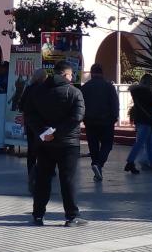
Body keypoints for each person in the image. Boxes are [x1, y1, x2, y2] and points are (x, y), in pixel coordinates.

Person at [25, 61, 87, 227]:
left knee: (43, 179)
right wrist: (57, 132)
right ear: (66, 75)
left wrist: (44, 133)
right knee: (68, 180)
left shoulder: (37, 92)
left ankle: (38, 215)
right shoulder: (74, 92)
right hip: (68, 143)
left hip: (45, 144)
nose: (72, 77)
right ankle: (72, 216)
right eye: (71, 75)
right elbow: (77, 117)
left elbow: (30, 115)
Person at [81, 63, 119, 182]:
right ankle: (99, 165)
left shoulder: (85, 87)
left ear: (91, 73)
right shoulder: (109, 86)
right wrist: (114, 117)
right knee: (107, 145)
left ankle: (97, 168)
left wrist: (84, 118)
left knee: (93, 146)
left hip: (90, 121)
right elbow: (115, 103)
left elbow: (81, 104)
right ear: (102, 73)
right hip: (106, 121)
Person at [126, 74, 152, 174]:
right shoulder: (146, 92)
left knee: (149, 144)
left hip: (141, 120)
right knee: (142, 143)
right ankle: (130, 162)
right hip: (147, 121)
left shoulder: (135, 91)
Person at [20, 68, 48, 194]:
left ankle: (31, 172)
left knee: (31, 150)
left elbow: (21, 105)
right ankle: (42, 173)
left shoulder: (29, 88)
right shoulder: (45, 89)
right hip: (43, 124)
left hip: (30, 124)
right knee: (44, 149)